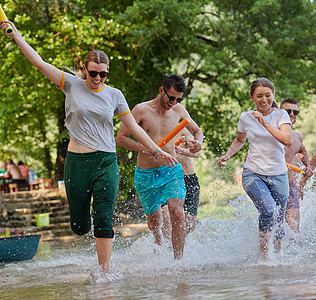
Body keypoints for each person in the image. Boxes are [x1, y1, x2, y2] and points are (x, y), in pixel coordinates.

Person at [1, 21, 177, 275]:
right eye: (92, 73)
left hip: (106, 162)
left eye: (102, 74)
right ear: (83, 69)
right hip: (77, 163)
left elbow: (135, 128)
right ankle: (85, 226)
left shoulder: (115, 95)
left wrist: (156, 150)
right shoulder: (70, 84)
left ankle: (105, 274)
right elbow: (38, 62)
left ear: (108, 73)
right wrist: (16, 35)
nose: (97, 78)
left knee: (104, 218)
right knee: (79, 227)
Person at [116, 73, 203, 259]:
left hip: (172, 170)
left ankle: (178, 261)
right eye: (171, 97)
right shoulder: (141, 110)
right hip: (146, 173)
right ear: (161, 90)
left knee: (177, 213)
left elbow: (197, 131)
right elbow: (121, 138)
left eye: (179, 99)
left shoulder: (179, 110)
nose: (174, 102)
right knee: (155, 222)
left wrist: (198, 141)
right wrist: (147, 149)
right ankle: (158, 244)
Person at [218, 78, 292, 260]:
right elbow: (240, 140)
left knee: (279, 218)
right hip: (253, 173)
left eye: (268, 95)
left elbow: (287, 140)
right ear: (252, 97)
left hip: (279, 174)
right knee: (268, 211)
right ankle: (265, 257)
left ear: (273, 95)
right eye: (259, 96)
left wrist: (265, 123)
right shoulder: (246, 117)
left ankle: (279, 256)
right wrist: (228, 154)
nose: (264, 100)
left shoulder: (281, 115)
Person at [279, 99, 313, 232]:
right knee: (273, 229)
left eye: (295, 112)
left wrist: (308, 166)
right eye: (288, 111)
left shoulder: (298, 137)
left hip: (290, 186)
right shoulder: (269, 133)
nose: (292, 114)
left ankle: (296, 252)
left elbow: (302, 150)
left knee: (294, 231)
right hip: (271, 185)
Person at [175, 129, 201, 234]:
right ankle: (169, 247)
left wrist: (179, 150)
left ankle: (182, 244)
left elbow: (196, 153)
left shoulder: (182, 131)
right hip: (170, 180)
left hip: (188, 178)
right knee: (171, 217)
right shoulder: (158, 131)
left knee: (191, 224)